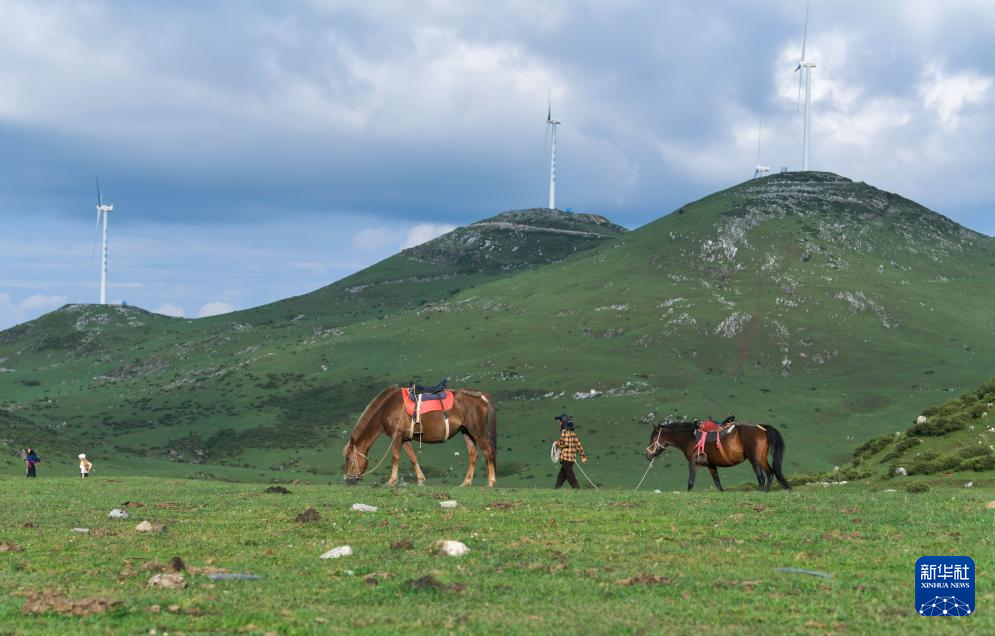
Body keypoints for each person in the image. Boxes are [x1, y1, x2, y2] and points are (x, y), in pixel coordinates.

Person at [552, 414, 587, 489]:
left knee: (570, 475)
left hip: (566, 458)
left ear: (563, 422)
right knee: (562, 475)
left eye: (560, 421)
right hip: (572, 459)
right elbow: (579, 445)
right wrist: (583, 457)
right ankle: (555, 490)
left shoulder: (564, 432)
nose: (560, 423)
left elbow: (565, 444)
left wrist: (558, 443)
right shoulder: (573, 434)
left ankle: (577, 489)